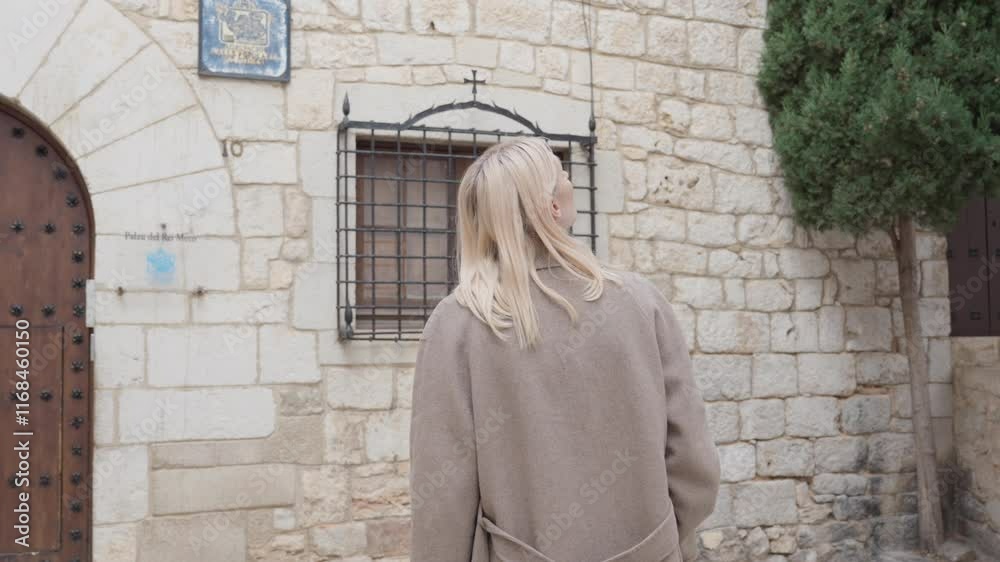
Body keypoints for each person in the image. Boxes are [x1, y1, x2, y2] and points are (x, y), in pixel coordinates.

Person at [408, 137, 721, 562]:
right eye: (561, 173)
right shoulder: (641, 302)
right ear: (553, 206)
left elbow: (443, 496)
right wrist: (664, 543)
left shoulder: (457, 324)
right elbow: (693, 464)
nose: (570, 177)